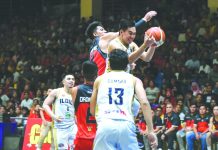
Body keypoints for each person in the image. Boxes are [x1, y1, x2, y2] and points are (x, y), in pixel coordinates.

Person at [90, 49, 157, 150]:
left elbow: (92, 110)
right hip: (126, 124)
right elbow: (144, 103)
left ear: (109, 63)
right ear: (127, 65)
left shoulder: (99, 79)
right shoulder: (134, 80)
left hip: (105, 124)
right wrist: (151, 131)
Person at [86, 11, 157, 75]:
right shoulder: (103, 38)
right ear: (95, 34)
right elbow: (127, 30)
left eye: (104, 29)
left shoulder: (92, 49)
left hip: (97, 81)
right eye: (101, 30)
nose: (105, 31)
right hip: (105, 80)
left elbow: (147, 58)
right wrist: (144, 19)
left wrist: (153, 45)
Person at [43, 74, 77, 150]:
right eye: (68, 79)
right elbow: (45, 105)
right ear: (63, 82)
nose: (71, 80)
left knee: (74, 148)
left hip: (72, 126)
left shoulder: (75, 93)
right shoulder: (56, 92)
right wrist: (53, 116)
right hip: (60, 127)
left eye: (73, 79)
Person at [71, 60, 98, 150]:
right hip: (99, 137)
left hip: (81, 137)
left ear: (82, 73)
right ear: (96, 74)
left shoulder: (75, 90)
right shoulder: (101, 91)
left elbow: (70, 114)